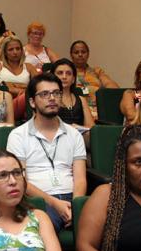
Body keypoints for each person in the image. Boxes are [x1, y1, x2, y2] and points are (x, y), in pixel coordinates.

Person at [6, 74, 87, 231]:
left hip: (73, 197)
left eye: (56, 93)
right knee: (45, 224)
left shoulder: (74, 134)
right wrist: (55, 204)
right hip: (38, 200)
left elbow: (80, 179)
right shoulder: (17, 135)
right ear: (32, 102)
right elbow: (21, 181)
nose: (52, 98)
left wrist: (76, 207)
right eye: (44, 94)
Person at [69, 40, 118, 121]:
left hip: (98, 109)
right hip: (76, 109)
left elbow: (112, 86)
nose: (80, 54)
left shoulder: (96, 71)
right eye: (76, 52)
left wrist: (104, 94)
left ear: (88, 54)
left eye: (83, 52)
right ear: (71, 55)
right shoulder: (67, 72)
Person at [49, 59, 95, 134]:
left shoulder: (81, 99)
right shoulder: (48, 98)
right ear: (52, 76)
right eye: (60, 73)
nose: (64, 77)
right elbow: (44, 126)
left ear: (73, 79)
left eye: (68, 73)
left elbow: (91, 128)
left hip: (79, 138)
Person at [0, 37, 31, 103]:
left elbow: (38, 86)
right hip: (1, 101)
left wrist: (13, 85)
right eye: (10, 49)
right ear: (5, 52)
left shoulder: (29, 66)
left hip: (24, 102)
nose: (15, 52)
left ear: (22, 51)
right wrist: (25, 87)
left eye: (18, 49)